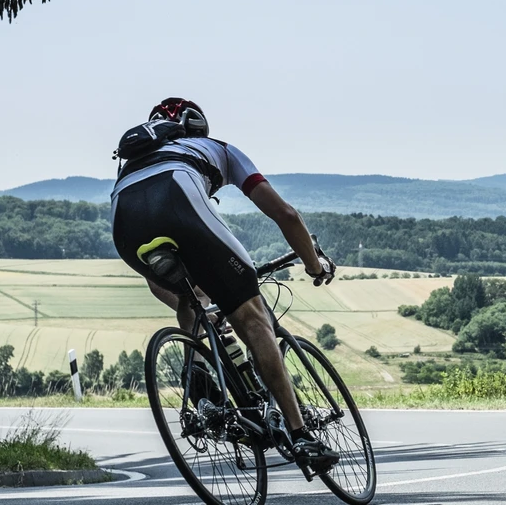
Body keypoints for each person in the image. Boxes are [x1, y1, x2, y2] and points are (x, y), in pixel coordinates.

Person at [110, 98, 339, 468]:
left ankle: (199, 373)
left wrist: (199, 302)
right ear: (200, 130)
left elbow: (154, 281)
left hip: (124, 223)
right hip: (178, 197)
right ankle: (300, 436)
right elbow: (286, 214)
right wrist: (315, 265)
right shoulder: (221, 150)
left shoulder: (132, 162)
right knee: (252, 317)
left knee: (191, 297)